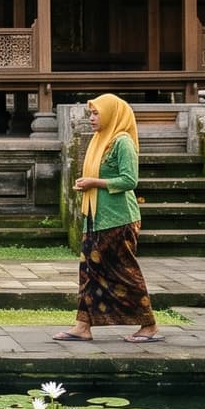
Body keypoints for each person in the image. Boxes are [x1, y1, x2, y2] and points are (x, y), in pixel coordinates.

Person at [53, 94, 163, 343]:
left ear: (112, 114)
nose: (91, 118)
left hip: (119, 219)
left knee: (124, 272)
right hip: (94, 217)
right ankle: (83, 325)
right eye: (90, 114)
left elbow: (129, 180)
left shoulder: (121, 142)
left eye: (96, 113)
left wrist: (95, 182)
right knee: (89, 272)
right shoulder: (99, 140)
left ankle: (149, 325)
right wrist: (88, 185)